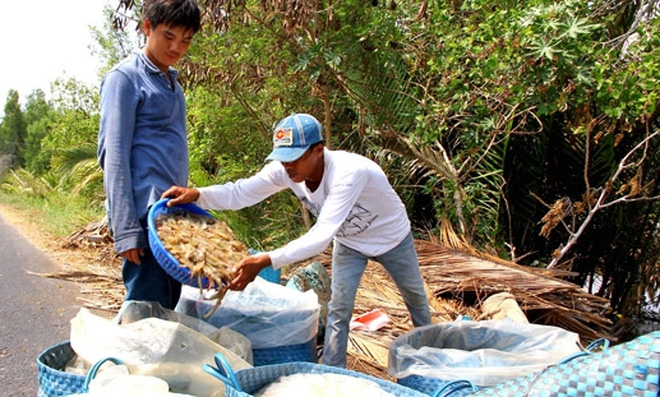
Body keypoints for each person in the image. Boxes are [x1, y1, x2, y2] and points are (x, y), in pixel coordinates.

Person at [162, 113, 432, 367]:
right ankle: (333, 369)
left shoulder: (349, 173)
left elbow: (320, 236)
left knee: (415, 298)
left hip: (391, 236)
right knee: (339, 307)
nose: (287, 165)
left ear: (318, 150)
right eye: (282, 158)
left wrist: (268, 259)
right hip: (350, 241)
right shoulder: (287, 171)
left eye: (295, 157)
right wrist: (198, 194)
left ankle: (430, 357)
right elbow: (241, 193)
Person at [97, 0, 201, 310]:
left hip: (172, 216)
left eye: (185, 40)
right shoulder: (125, 79)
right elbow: (113, 156)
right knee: (146, 318)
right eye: (168, 36)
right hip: (144, 220)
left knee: (167, 311)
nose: (176, 47)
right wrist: (126, 229)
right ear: (147, 27)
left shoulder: (173, 83)